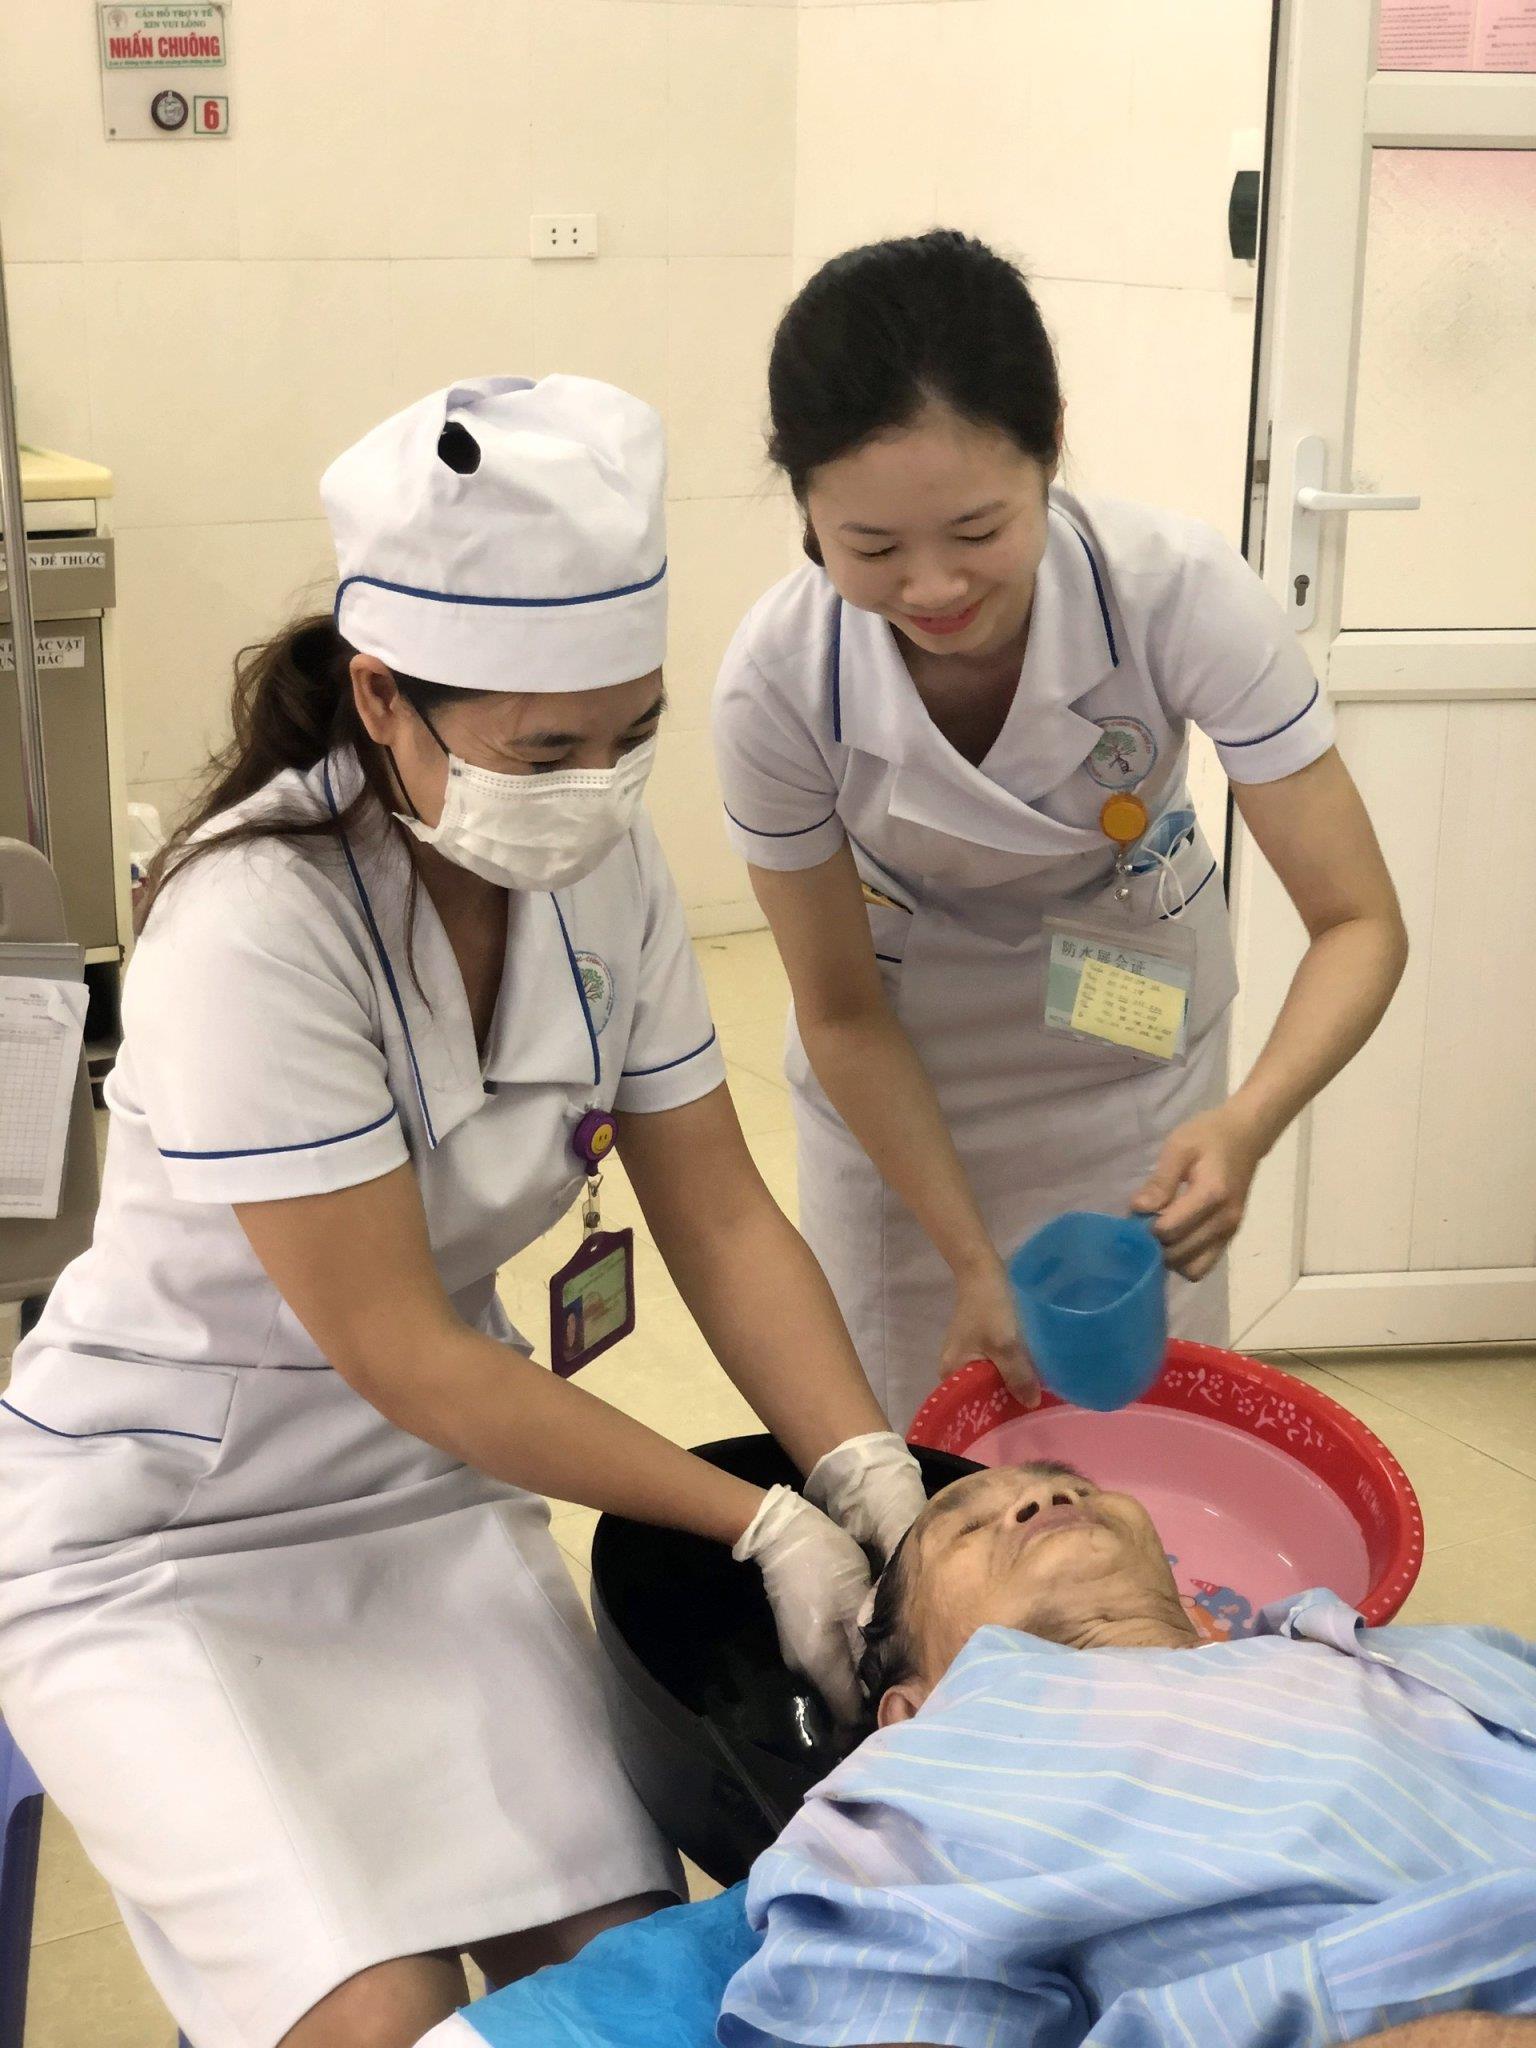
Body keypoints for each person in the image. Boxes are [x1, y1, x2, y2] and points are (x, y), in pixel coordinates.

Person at [0, 376, 930, 2048]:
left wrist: (866, 1472)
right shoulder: (252, 920)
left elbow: (721, 1217)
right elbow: (404, 1349)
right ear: (385, 696)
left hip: (426, 1499)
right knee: (379, 2010)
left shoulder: (604, 871)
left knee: (632, 1974)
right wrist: (761, 1523)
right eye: (545, 750)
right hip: (159, 1531)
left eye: (632, 735)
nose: (596, 788)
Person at [712, 231, 1409, 1429]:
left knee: (1136, 1429)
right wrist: (968, 1256)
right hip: (900, 1071)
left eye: (978, 530)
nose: (934, 587)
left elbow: (1359, 922)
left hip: (1128, 1065)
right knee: (916, 1441)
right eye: (871, 547)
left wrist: (1245, 1124)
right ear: (807, 508)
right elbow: (841, 1012)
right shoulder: (777, 682)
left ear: (1051, 448)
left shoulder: (1177, 594)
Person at [717, 1460, 1536, 2048]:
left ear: (1206, 1621)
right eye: (967, 1523)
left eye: (1077, 1485)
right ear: (911, 1708)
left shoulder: (1387, 1651)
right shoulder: (910, 1783)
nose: (1047, 1495)